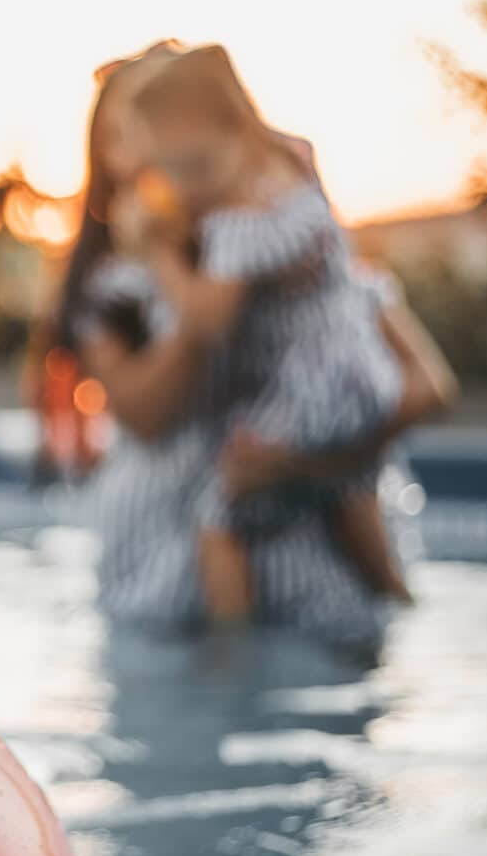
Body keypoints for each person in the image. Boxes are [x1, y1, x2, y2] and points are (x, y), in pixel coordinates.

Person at [54, 44, 458, 655]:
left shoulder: (277, 250)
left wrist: (303, 466)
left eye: (159, 140)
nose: (145, 160)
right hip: (160, 589)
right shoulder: (114, 289)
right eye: (123, 140)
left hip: (310, 582)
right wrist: (168, 256)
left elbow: (426, 387)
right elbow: (147, 413)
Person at [114, 44, 410, 624]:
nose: (184, 188)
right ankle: (398, 597)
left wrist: (160, 255)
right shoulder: (298, 180)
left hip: (313, 387)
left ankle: (232, 652)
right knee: (350, 485)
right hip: (362, 371)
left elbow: (208, 320)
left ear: (227, 135)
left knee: (216, 515)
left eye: (190, 167)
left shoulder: (240, 226)